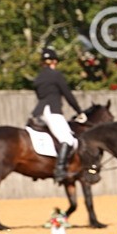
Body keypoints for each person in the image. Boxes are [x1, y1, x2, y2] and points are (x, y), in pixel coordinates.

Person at [32, 47, 87, 182]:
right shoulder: (56, 75)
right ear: (54, 62)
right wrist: (79, 111)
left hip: (38, 112)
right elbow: (68, 95)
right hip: (52, 111)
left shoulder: (38, 78)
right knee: (67, 140)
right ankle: (60, 170)